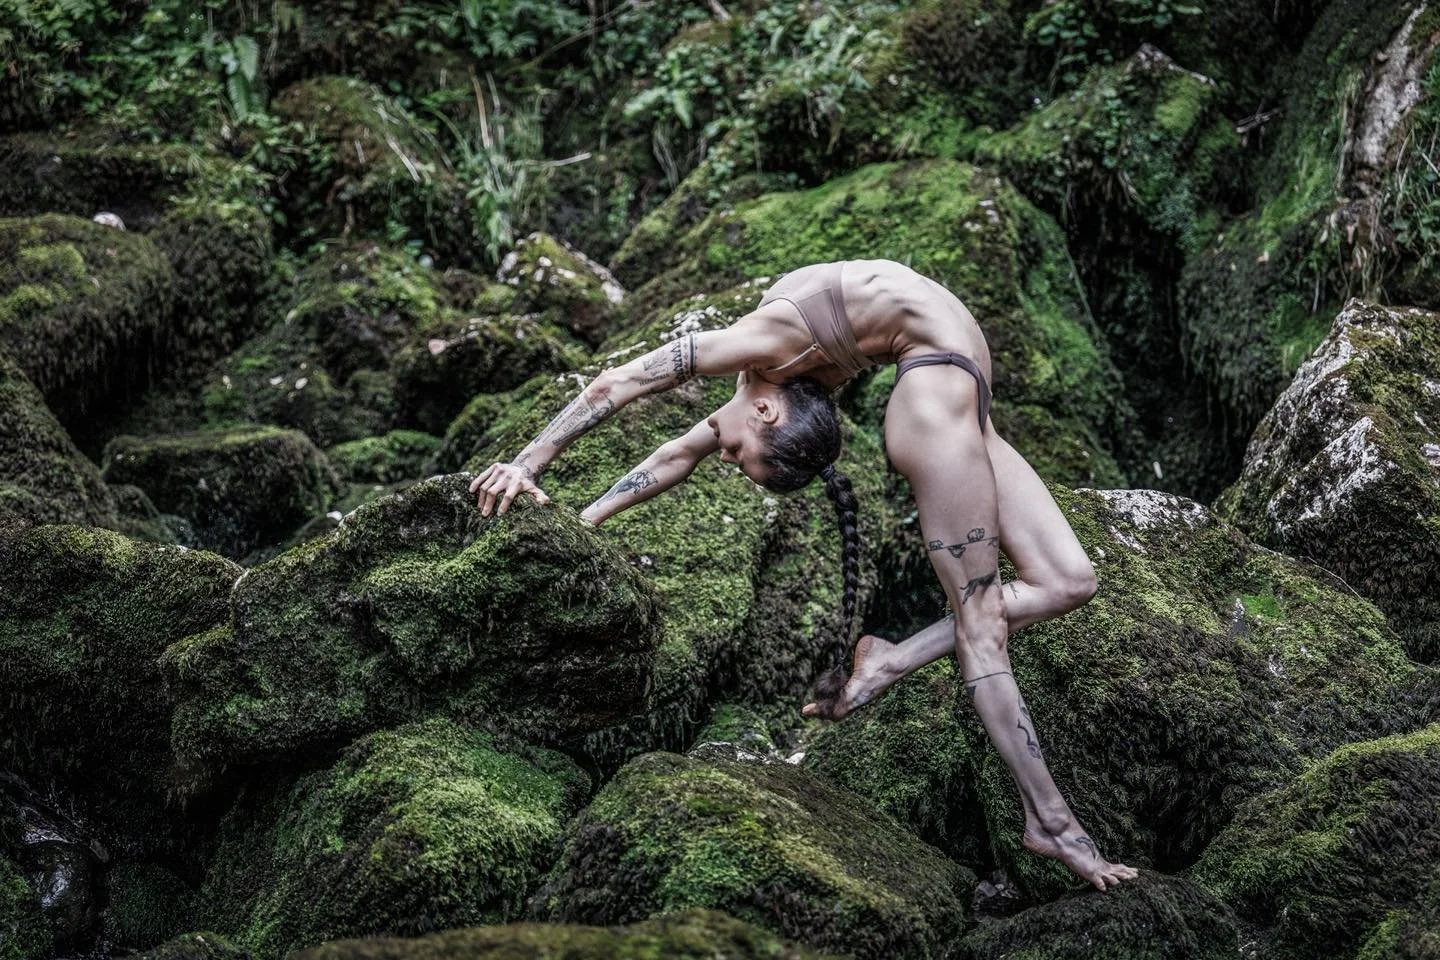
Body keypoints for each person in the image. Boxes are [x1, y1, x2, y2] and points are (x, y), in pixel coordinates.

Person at [469, 258, 1139, 891]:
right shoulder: (780, 380)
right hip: (940, 395)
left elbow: (620, 384)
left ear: (767, 412)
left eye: (735, 452)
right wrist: (585, 522)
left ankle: (886, 663)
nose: (721, 449)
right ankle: (1053, 823)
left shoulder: (761, 343)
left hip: (952, 390)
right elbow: (681, 452)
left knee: (1067, 581)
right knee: (983, 623)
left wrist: (530, 463)